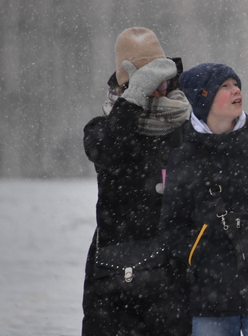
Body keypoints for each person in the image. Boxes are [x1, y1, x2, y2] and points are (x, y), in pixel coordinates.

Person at [160, 62, 248, 336]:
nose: (235, 90)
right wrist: (200, 254)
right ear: (204, 99)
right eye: (224, 86)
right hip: (208, 298)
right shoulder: (184, 156)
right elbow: (172, 226)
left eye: (236, 84)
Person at [82, 27, 192, 336]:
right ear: (126, 85)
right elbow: (108, 151)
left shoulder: (186, 128)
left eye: (162, 81)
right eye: (145, 83)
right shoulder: (101, 128)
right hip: (116, 279)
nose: (157, 91)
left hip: (175, 281)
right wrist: (133, 101)